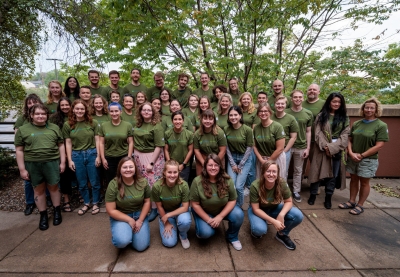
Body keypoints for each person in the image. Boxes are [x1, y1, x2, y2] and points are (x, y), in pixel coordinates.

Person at [15, 103, 65, 230]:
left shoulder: (54, 128)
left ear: (47, 115)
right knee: (38, 189)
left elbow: (61, 145)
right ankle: (43, 214)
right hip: (33, 163)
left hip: (52, 162)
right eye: (37, 114)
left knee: (54, 186)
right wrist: (22, 169)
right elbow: (19, 150)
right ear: (31, 115)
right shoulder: (23, 129)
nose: (40, 116)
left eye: (43, 114)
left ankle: (57, 210)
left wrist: (62, 162)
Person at [341, 97, 389, 215]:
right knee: (353, 179)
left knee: (364, 182)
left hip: (368, 159)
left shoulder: (381, 125)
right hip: (353, 157)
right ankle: (351, 201)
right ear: (363, 109)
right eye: (367, 107)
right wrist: (351, 152)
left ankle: (360, 205)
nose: (369, 110)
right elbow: (350, 139)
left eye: (372, 108)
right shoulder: (357, 123)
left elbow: (379, 145)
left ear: (376, 109)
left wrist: (362, 155)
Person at [190, 154, 244, 251]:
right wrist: (208, 219)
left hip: (222, 210)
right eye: (210, 165)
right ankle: (205, 227)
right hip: (205, 211)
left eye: (216, 165)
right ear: (205, 166)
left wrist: (220, 216)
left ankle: (232, 236)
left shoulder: (227, 180)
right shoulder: (197, 181)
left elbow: (232, 200)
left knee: (238, 214)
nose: (213, 168)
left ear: (220, 166)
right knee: (205, 234)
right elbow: (195, 204)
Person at [248, 161, 303, 250]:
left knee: (298, 215)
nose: (271, 174)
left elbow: (288, 201)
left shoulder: (282, 183)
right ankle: (257, 226)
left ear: (277, 173)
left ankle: (282, 234)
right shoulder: (255, 185)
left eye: (274, 171)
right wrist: (273, 221)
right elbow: (256, 209)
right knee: (259, 230)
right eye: (268, 171)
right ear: (263, 172)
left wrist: (281, 215)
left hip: (274, 208)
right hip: (258, 210)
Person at [307, 93, 349, 209]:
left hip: (337, 148)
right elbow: (318, 132)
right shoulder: (321, 116)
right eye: (334, 101)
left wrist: (333, 148)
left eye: (339, 102)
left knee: (333, 174)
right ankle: (313, 195)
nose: (336, 104)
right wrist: (326, 147)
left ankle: (328, 197)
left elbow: (345, 134)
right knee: (316, 171)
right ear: (329, 102)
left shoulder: (344, 117)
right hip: (321, 148)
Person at [63, 99, 101, 215]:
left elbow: (98, 140)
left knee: (94, 181)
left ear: (86, 110)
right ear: (73, 110)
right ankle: (86, 203)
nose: (80, 111)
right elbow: (68, 143)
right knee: (82, 182)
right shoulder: (68, 124)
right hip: (76, 155)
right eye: (77, 109)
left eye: (82, 109)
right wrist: (69, 160)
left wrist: (99, 156)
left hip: (91, 153)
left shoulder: (92, 122)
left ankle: (95, 202)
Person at [105, 157, 150, 251]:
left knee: (141, 247)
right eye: (125, 167)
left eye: (131, 167)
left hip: (139, 215)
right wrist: (129, 220)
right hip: (122, 216)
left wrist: (140, 221)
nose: (128, 169)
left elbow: (147, 202)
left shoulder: (143, 182)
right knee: (122, 241)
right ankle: (123, 234)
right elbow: (110, 210)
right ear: (119, 169)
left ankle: (131, 234)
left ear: (135, 169)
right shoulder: (113, 185)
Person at [133, 102, 165, 221]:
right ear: (140, 112)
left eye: (149, 110)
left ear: (153, 112)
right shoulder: (137, 125)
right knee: (142, 183)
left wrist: (151, 163)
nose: (146, 112)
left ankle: (155, 208)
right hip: (138, 157)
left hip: (152, 157)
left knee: (153, 184)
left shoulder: (157, 126)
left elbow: (159, 146)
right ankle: (146, 206)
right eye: (144, 110)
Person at [14, 94, 45, 215]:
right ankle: (30, 202)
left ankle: (45, 198)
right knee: (28, 180)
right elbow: (17, 140)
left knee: (45, 179)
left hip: (43, 153)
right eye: (30, 103)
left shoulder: (43, 117)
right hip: (28, 155)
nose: (32, 105)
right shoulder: (22, 119)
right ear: (27, 105)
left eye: (35, 102)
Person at [151, 160, 192, 249]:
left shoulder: (183, 185)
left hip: (180, 210)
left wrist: (168, 215)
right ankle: (171, 225)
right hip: (165, 212)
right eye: (169, 172)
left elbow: (185, 207)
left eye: (175, 172)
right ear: (164, 173)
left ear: (178, 172)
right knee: (169, 243)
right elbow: (159, 206)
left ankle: (183, 235)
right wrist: (166, 222)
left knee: (184, 221)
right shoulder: (157, 187)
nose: (172, 175)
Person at [285, 90, 313, 203]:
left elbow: (308, 131)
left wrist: (308, 147)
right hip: (286, 146)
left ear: (303, 98)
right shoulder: (286, 112)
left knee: (298, 170)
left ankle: (296, 191)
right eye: (295, 97)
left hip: (301, 145)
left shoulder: (308, 113)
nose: (297, 99)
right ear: (291, 99)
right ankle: (284, 190)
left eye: (300, 97)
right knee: (284, 170)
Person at [50, 97, 76, 212]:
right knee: (64, 175)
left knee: (78, 173)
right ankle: (66, 199)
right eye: (62, 105)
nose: (65, 107)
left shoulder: (76, 116)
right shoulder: (54, 119)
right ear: (59, 106)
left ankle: (80, 194)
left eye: (67, 105)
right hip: (60, 150)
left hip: (76, 149)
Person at [224, 106, 254, 208]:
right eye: (231, 115)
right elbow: (226, 147)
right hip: (231, 157)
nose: (233, 117)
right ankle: (232, 204)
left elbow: (250, 148)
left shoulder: (247, 130)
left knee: (239, 186)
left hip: (244, 159)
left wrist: (241, 164)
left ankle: (239, 205)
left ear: (240, 116)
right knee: (231, 185)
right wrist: (232, 164)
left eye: (235, 115)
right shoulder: (226, 129)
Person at [99, 102, 134, 185]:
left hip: (123, 156)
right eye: (111, 111)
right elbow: (101, 143)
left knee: (124, 179)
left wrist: (129, 157)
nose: (114, 113)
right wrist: (103, 158)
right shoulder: (104, 126)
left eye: (116, 111)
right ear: (109, 112)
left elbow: (131, 142)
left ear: (120, 112)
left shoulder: (127, 125)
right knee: (111, 181)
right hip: (109, 158)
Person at [253, 103, 286, 179]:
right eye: (261, 111)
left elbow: (280, 148)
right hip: (261, 159)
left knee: (276, 180)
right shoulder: (256, 128)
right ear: (258, 114)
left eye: (266, 111)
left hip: (276, 158)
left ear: (270, 112)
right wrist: (261, 160)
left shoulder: (277, 127)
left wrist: (268, 162)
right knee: (261, 181)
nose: (263, 113)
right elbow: (254, 146)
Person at [271, 95, 298, 178]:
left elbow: (293, 137)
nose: (280, 106)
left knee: (282, 173)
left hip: (284, 150)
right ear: (275, 104)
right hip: (270, 150)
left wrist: (284, 151)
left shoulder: (291, 118)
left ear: (286, 105)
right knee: (270, 172)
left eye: (282, 104)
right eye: (278, 103)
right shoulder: (270, 117)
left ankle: (281, 190)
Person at [193, 109, 227, 175]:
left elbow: (222, 151)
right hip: (202, 158)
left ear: (214, 121)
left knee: (218, 178)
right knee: (201, 179)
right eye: (205, 119)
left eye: (210, 119)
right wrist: (204, 163)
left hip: (217, 157)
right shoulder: (197, 133)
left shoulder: (219, 132)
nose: (208, 121)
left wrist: (214, 163)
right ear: (201, 120)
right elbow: (196, 151)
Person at [164, 111, 194, 183]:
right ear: (172, 121)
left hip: (184, 165)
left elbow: (190, 150)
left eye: (180, 119)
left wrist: (183, 164)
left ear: (183, 121)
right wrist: (169, 163)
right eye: (175, 119)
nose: (177, 121)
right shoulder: (167, 133)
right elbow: (166, 150)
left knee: (183, 185)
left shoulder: (189, 134)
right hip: (171, 165)